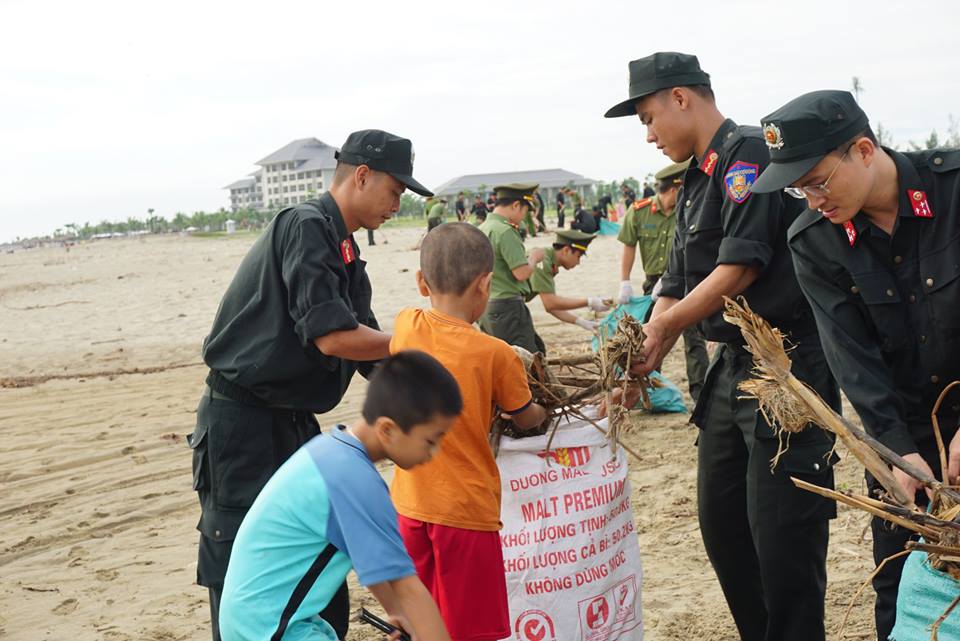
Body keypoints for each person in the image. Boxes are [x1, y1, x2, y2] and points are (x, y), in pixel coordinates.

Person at [604, 52, 839, 641]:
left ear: (681, 97)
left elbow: (740, 267)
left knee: (783, 541)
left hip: (786, 372)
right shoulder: (696, 180)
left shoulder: (752, 155)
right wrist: (646, 344)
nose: (650, 135)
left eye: (649, 118)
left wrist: (666, 327)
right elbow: (677, 281)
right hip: (730, 373)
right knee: (724, 529)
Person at [190, 128, 433, 641]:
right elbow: (332, 336)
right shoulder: (304, 226)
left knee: (315, 558)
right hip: (242, 426)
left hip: (294, 421)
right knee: (242, 562)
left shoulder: (347, 254)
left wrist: (447, 376)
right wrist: (422, 340)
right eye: (395, 190)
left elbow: (373, 358)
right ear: (362, 176)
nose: (398, 203)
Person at [751, 89, 960, 641]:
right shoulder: (815, 241)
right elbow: (852, 358)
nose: (811, 199)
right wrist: (895, 449)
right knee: (904, 589)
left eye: (817, 180)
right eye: (797, 189)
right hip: (902, 443)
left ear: (864, 150)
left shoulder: (955, 192)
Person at [219, 351, 461, 641]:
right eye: (431, 440)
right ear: (388, 429)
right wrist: (409, 612)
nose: (434, 453)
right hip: (271, 629)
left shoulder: (334, 449)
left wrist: (397, 613)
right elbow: (407, 587)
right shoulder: (355, 481)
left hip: (254, 618)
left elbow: (370, 559)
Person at [390, 223, 549, 641]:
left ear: (422, 283)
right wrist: (541, 404)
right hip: (464, 513)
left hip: (408, 504)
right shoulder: (494, 353)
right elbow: (524, 416)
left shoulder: (406, 324)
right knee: (468, 630)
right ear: (484, 285)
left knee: (420, 621)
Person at [618, 159, 708, 401]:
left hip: (686, 282)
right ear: (673, 189)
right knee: (650, 338)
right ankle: (649, 392)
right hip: (653, 285)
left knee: (694, 340)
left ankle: (700, 393)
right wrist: (624, 281)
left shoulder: (688, 210)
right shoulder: (639, 211)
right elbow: (629, 246)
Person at [477, 182, 547, 354]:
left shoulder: (481, 229)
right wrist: (534, 258)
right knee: (525, 360)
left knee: (500, 358)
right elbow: (521, 273)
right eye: (524, 211)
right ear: (516, 205)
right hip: (508, 307)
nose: (524, 217)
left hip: (486, 307)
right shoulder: (505, 231)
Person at [528, 229, 611, 333]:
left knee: (536, 347)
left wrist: (581, 322)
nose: (578, 262)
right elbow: (550, 303)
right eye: (578, 256)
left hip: (512, 305)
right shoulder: (543, 261)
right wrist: (589, 302)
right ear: (566, 250)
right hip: (507, 306)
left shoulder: (549, 261)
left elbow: (551, 307)